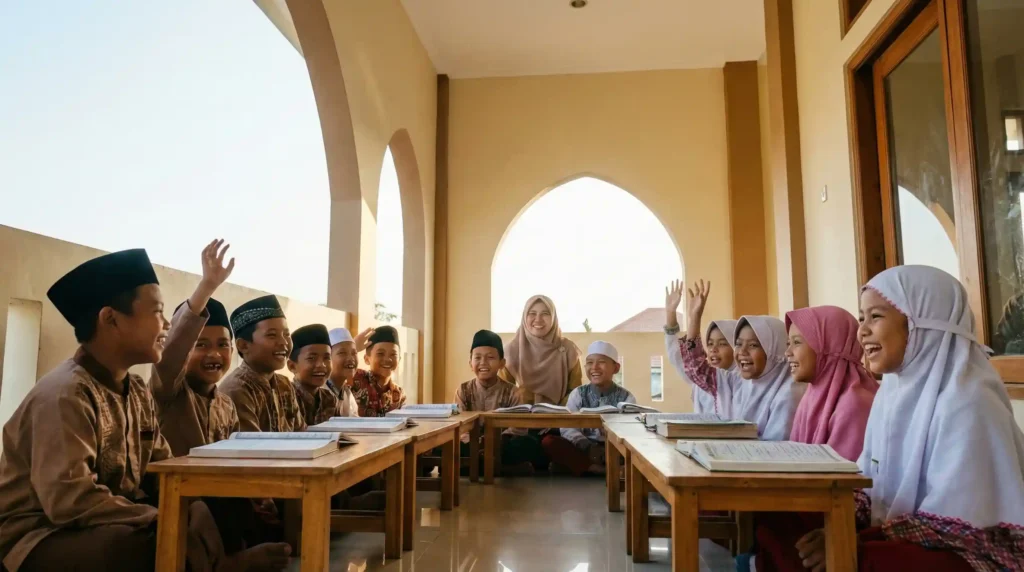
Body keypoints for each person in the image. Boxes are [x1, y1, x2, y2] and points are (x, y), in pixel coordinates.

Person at [0, 249, 229, 572]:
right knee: (145, 547)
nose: (165, 325)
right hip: (40, 535)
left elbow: (162, 469)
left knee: (203, 510)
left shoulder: (135, 390)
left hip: (112, 520)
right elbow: (70, 502)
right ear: (111, 319)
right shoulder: (65, 394)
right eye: (158, 312)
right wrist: (158, 517)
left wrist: (191, 504)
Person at [789, 266, 1024, 572]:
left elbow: (959, 528)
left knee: (860, 560)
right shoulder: (892, 393)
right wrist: (841, 522)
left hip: (970, 552)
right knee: (787, 524)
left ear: (920, 324)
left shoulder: (969, 401)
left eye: (876, 316)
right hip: (905, 534)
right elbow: (869, 486)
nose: (862, 331)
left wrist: (852, 540)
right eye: (861, 318)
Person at [748, 305, 878, 572]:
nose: (787, 353)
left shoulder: (855, 402)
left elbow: (843, 486)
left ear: (826, 345)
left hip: (851, 512)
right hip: (821, 501)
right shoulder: (813, 395)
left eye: (797, 343)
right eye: (787, 343)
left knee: (774, 515)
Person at [678, 280, 804, 440]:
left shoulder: (787, 395)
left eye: (753, 345)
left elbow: (776, 450)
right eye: (738, 344)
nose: (742, 352)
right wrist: (694, 319)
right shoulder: (741, 382)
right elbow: (697, 370)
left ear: (775, 351)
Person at [455, 329, 545, 475]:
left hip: (502, 444)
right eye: (477, 358)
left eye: (490, 357)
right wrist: (477, 443)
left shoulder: (513, 391)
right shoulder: (463, 390)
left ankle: (478, 467)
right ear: (470, 363)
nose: (483, 363)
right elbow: (461, 426)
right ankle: (502, 469)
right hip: (471, 444)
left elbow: (518, 428)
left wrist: (492, 443)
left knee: (529, 445)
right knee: (447, 446)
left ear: (502, 363)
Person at [543, 341, 636, 476]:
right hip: (584, 448)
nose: (594, 368)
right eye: (590, 363)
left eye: (601, 362)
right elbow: (568, 426)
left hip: (614, 449)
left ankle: (580, 468)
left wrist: (610, 448)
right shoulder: (578, 393)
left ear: (616, 368)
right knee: (549, 442)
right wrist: (587, 446)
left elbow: (630, 431)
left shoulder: (627, 398)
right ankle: (600, 470)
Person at [221, 295, 306, 432]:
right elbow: (253, 448)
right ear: (243, 345)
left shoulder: (284, 385)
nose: (284, 342)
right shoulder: (237, 389)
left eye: (286, 334)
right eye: (272, 335)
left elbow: (301, 434)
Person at [665, 279, 736, 414]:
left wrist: (695, 318)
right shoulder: (699, 381)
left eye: (722, 344)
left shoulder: (737, 379)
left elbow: (695, 364)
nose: (713, 349)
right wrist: (670, 314)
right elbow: (678, 357)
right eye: (709, 344)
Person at [500, 295, 582, 405]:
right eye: (532, 313)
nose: (538, 319)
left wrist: (556, 412)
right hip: (520, 417)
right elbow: (503, 393)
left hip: (561, 417)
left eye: (545, 314)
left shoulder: (568, 350)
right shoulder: (511, 351)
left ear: (553, 317)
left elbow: (575, 392)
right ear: (524, 317)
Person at [288, 324, 339, 426]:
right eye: (311, 358)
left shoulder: (329, 398)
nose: (321, 365)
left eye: (327, 358)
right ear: (292, 366)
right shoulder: (285, 397)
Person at [350, 325, 407, 417]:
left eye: (393, 354)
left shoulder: (399, 394)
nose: (388, 359)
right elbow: (334, 372)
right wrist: (352, 348)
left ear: (399, 359)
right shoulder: (355, 378)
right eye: (380, 354)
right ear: (367, 359)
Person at [326, 327, 371, 417]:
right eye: (342, 353)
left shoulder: (346, 392)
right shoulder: (321, 391)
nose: (351, 359)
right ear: (327, 358)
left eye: (354, 353)